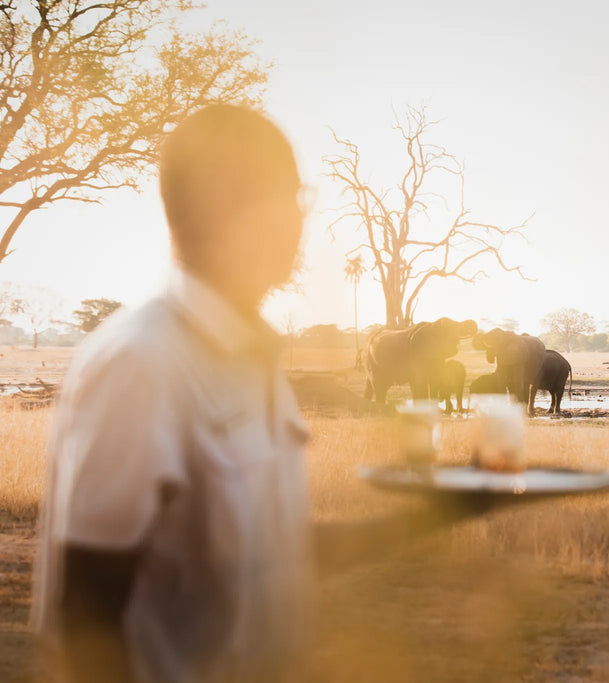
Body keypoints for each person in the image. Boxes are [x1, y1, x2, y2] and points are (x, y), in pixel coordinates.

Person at [31, 105, 488, 683]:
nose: (300, 221)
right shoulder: (140, 364)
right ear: (228, 205)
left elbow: (270, 556)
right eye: (292, 198)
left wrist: (440, 513)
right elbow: (85, 615)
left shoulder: (252, 358)